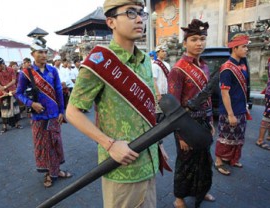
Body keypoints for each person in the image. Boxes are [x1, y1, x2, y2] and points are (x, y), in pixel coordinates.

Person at [66, 0, 159, 207]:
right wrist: (108, 143)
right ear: (111, 22)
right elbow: (72, 112)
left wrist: (158, 146)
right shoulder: (99, 61)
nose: (139, 20)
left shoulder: (145, 60)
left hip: (150, 162)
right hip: (122, 168)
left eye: (141, 14)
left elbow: (146, 111)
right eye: (131, 13)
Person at [168, 19, 215, 208]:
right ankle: (179, 197)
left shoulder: (204, 66)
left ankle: (201, 191)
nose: (199, 43)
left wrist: (211, 121)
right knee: (185, 162)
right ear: (185, 43)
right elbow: (173, 106)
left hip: (203, 122)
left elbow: (208, 96)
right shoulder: (178, 70)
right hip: (186, 125)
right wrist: (180, 135)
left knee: (204, 160)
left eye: (202, 39)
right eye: (194, 39)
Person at [16, 37, 71, 188]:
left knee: (56, 144)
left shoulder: (53, 70)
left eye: (45, 52)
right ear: (33, 54)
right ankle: (49, 173)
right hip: (38, 117)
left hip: (54, 115)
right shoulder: (26, 73)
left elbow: (59, 91)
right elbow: (18, 93)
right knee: (43, 146)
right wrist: (31, 103)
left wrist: (61, 110)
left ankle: (56, 170)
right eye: (40, 52)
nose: (43, 55)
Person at [214, 33, 251, 176]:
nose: (246, 49)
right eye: (244, 47)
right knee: (225, 137)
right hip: (230, 110)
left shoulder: (242, 65)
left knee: (239, 136)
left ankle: (233, 159)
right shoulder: (227, 68)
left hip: (241, 108)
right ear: (235, 48)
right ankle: (218, 161)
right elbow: (224, 93)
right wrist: (230, 114)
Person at [0, 57, 22, 133]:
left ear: (3, 63)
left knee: (15, 108)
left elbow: (13, 81)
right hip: (2, 93)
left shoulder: (11, 70)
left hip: (12, 90)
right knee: (4, 109)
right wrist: (3, 91)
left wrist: (5, 87)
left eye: (0, 64)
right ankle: (4, 126)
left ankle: (17, 124)